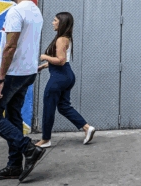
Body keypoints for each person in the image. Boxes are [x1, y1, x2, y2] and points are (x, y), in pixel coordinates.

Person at [0, 0, 45, 182]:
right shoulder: (36, 11)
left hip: (11, 74)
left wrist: (0, 79)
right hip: (27, 72)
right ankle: (14, 166)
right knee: (13, 116)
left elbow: (10, 47)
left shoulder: (15, 11)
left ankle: (28, 148)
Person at [35, 12, 96, 148]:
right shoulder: (66, 38)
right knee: (63, 106)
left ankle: (45, 139)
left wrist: (45, 57)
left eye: (55, 20)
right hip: (67, 76)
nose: (52, 22)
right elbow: (64, 59)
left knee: (49, 107)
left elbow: (60, 60)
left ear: (61, 23)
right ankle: (87, 128)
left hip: (59, 78)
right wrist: (44, 66)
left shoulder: (61, 39)